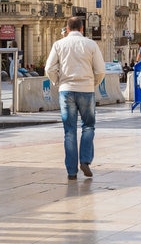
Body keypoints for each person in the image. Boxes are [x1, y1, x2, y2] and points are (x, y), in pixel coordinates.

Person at [45, 16, 105, 180]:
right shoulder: (91, 44)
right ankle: (85, 159)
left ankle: (71, 171)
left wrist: (58, 81)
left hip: (66, 90)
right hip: (86, 89)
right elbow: (100, 70)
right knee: (88, 126)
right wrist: (93, 83)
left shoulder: (59, 44)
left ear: (67, 28)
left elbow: (49, 67)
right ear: (82, 29)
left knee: (69, 131)